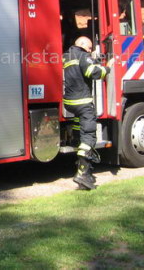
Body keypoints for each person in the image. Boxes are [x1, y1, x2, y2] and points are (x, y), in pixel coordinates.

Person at [63, 36, 113, 190]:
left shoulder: (67, 56)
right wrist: (107, 67)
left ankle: (77, 144)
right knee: (89, 135)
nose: (90, 51)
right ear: (82, 44)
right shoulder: (83, 55)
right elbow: (93, 72)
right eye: (89, 48)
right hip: (83, 102)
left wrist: (94, 60)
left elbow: (78, 70)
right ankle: (82, 174)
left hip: (70, 102)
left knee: (79, 126)